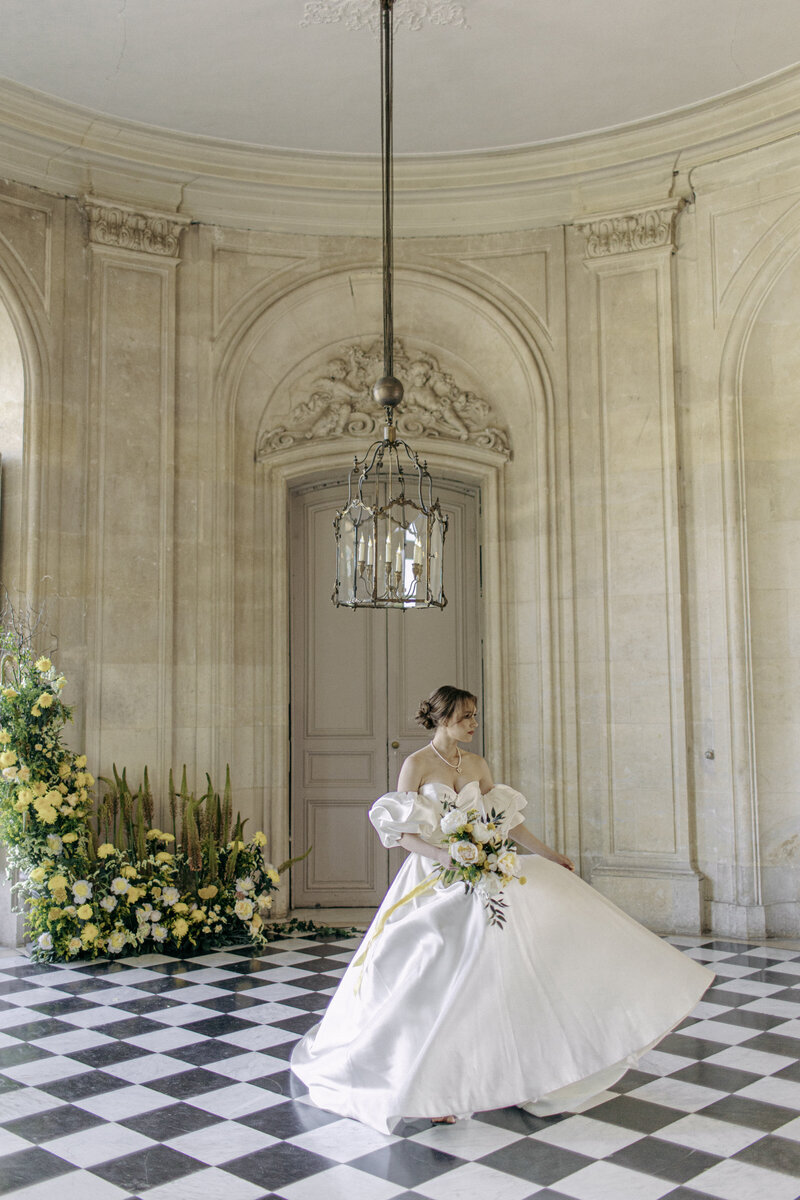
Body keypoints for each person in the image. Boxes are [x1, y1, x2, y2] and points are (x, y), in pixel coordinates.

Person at [291, 685, 714, 1133]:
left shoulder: (477, 764)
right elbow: (402, 834)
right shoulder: (415, 764)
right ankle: (430, 1084)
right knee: (432, 970)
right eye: (466, 716)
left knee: (499, 972)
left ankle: (516, 1070)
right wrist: (446, 857)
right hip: (435, 878)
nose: (474, 723)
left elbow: (506, 822)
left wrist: (550, 854)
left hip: (485, 873)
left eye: (475, 715)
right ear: (442, 718)